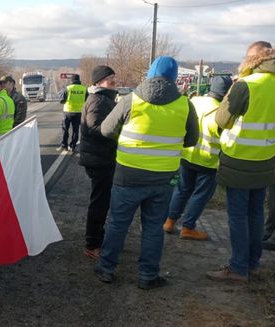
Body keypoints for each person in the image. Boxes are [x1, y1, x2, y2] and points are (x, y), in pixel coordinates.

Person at [95, 56, 199, 290]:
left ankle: (106, 268)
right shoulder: (185, 104)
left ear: (149, 74)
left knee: (118, 223)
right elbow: (192, 139)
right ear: (174, 78)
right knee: (153, 228)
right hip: (164, 178)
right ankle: (148, 275)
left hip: (128, 175)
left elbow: (105, 129)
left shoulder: (131, 100)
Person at [207, 41, 275, 282]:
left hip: (239, 158)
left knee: (238, 215)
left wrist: (234, 87)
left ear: (253, 60)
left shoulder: (246, 85)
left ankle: (238, 267)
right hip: (268, 159)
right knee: (256, 212)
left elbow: (222, 119)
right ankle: (252, 261)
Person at [163, 76, 233, 240]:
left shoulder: (194, 101)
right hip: (208, 161)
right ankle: (188, 228)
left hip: (186, 155)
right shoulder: (222, 112)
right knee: (200, 195)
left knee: (181, 190)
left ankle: (169, 221)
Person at [78, 65, 118, 259]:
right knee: (99, 203)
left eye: (113, 77)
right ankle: (92, 244)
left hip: (102, 157)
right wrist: (119, 132)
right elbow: (94, 128)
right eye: (110, 78)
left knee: (102, 201)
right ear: (99, 82)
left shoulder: (104, 99)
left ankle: (97, 240)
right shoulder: (98, 100)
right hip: (99, 158)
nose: (114, 81)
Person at [58, 74, 87, 151]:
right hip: (78, 112)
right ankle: (73, 146)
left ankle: (64, 145)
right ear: (79, 80)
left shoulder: (68, 88)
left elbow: (62, 100)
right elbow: (87, 100)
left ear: (71, 80)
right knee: (76, 130)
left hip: (67, 112)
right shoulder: (84, 89)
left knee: (65, 129)